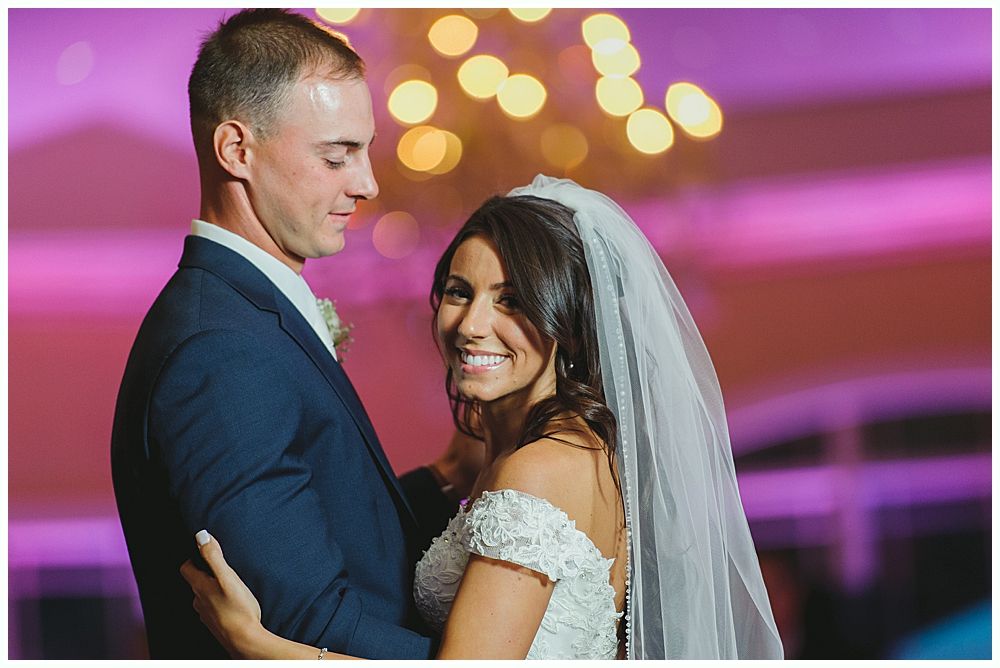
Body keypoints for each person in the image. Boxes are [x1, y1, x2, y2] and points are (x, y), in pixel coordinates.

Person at [181, 175, 786, 659]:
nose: (471, 325)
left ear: (567, 322)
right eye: (457, 291)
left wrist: (259, 647)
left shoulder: (539, 470)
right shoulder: (576, 446)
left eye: (512, 301)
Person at [110, 9, 478, 659]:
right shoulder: (220, 353)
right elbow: (305, 622)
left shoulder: (241, 312)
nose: (366, 185)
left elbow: (330, 530)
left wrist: (450, 474)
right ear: (236, 150)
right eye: (337, 156)